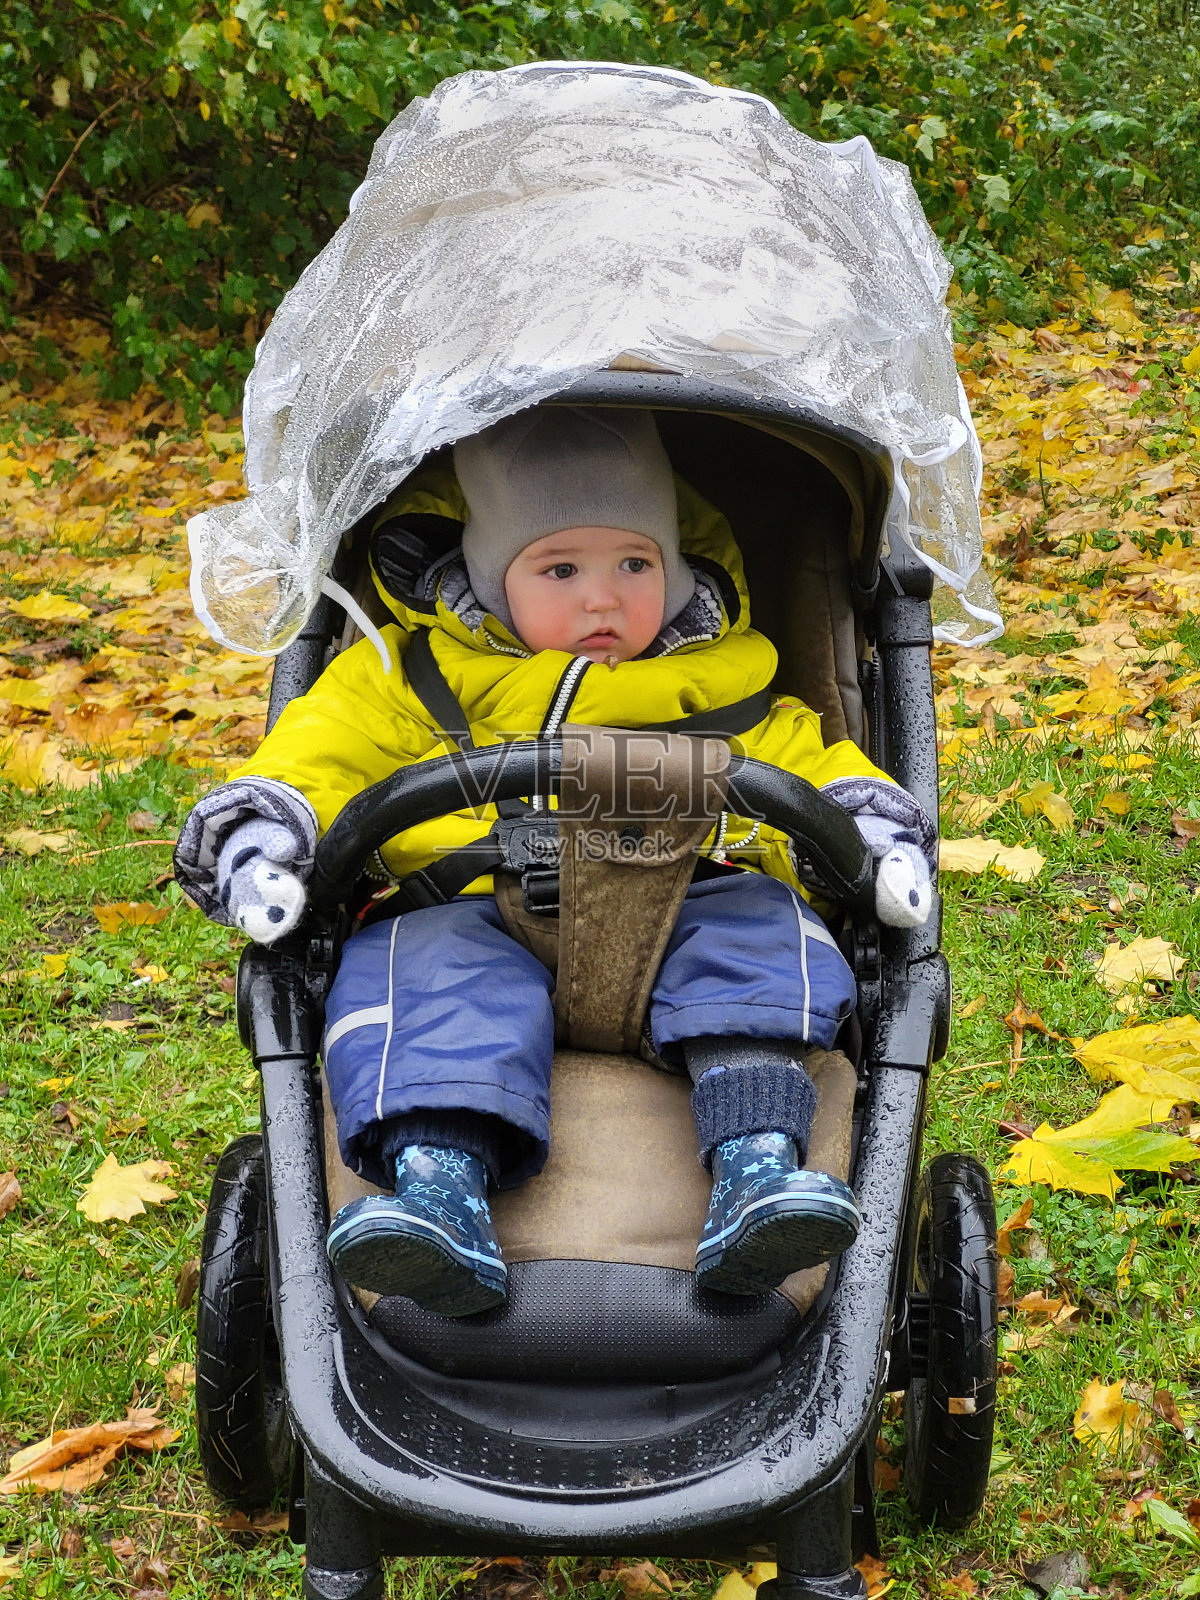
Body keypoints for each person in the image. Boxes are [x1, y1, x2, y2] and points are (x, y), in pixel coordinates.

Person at [175, 407, 936, 1318]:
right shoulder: (412, 678)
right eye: (560, 569)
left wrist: (871, 836)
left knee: (763, 931)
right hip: (470, 911)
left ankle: (758, 1173)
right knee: (417, 975)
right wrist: (267, 834)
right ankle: (439, 1194)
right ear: (490, 581)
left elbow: (814, 768)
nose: (603, 600)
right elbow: (316, 755)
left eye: (635, 564)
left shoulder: (724, 680)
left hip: (678, 905)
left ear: (677, 567)